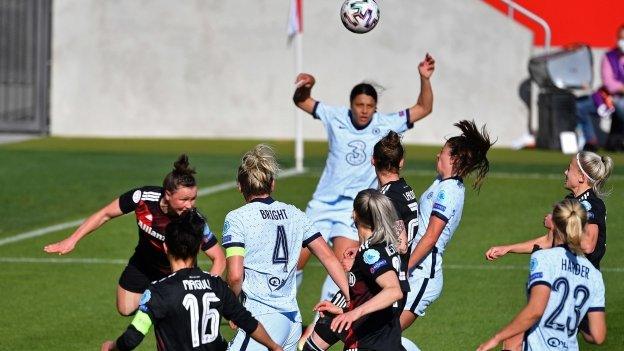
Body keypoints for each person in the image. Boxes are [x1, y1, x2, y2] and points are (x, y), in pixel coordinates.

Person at [292, 53, 435, 311]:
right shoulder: (335, 116)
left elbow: (423, 108)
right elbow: (301, 101)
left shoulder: (386, 123)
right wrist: (308, 85)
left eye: (370, 106)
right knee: (294, 261)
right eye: (360, 105)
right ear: (351, 104)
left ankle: (316, 328)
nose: (365, 111)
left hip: (354, 210)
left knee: (342, 267)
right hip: (322, 203)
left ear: (376, 107)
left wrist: (424, 79)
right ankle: (284, 310)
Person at [44, 155, 225, 316]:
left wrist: (208, 287)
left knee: (175, 321)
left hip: (177, 272)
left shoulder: (194, 221)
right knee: (125, 308)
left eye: (193, 199)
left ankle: (163, 309)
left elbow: (219, 258)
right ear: (168, 194)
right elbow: (105, 214)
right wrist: (72, 239)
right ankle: (159, 304)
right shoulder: (142, 198)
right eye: (184, 199)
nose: (190, 205)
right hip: (143, 264)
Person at [224, 145, 349, 351]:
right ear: (272, 184)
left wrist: (233, 308)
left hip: (261, 318)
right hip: (292, 321)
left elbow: (235, 276)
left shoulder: (237, 218)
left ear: (240, 186)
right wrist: (351, 296)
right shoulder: (296, 214)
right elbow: (329, 258)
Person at [101, 210, 283, 351]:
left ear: (165, 247)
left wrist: (112, 347)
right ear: (198, 249)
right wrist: (274, 346)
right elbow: (248, 322)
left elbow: (134, 336)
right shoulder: (216, 285)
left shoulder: (158, 291)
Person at [477, 199, 607, 351]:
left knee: (512, 343)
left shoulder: (544, 258)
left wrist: (496, 339)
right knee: (514, 341)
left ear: (555, 225)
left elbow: (535, 310)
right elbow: (598, 336)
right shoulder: (594, 275)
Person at [403, 120, 493, 332]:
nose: (437, 155)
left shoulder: (449, 191)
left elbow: (431, 236)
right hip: (416, 268)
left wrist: (405, 269)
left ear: (452, 158)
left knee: (383, 337)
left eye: (442, 152)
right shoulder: (442, 183)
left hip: (423, 274)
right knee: (379, 337)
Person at [301, 189, 404, 351]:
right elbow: (373, 295)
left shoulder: (370, 254)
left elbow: (394, 291)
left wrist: (353, 314)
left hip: (372, 343)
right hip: (384, 338)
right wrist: (343, 310)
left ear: (354, 214)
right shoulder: (381, 246)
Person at [485, 151, 612, 270]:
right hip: (567, 277)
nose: (565, 172)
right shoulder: (569, 201)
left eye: (569, 169)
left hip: (585, 282)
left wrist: (558, 226)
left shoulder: (592, 204)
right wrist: (507, 249)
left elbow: (588, 245)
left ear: (581, 177)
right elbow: (548, 241)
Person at [576, 23, 624, 151]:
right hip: (609, 97)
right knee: (579, 106)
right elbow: (609, 82)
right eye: (621, 38)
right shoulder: (609, 56)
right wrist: (621, 88)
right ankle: (591, 140)